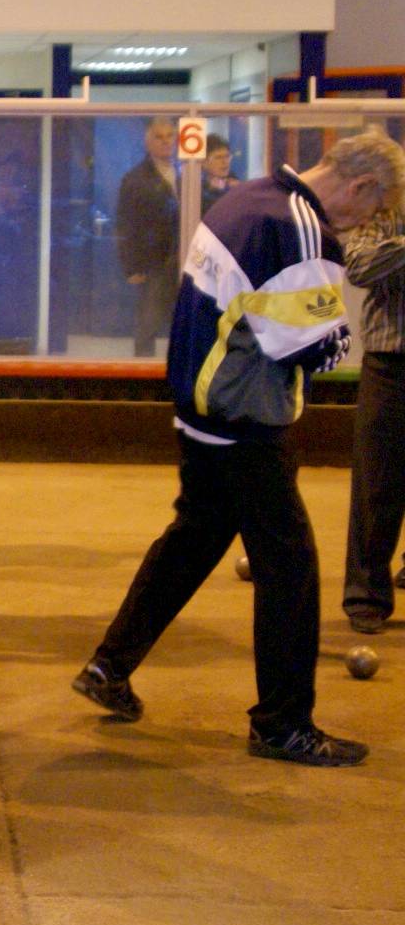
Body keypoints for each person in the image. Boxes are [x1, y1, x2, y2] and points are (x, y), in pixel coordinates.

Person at [74, 131, 405, 767]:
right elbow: (314, 346)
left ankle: (109, 665)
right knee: (290, 570)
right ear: (362, 185)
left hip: (202, 409)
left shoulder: (248, 198)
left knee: (193, 541)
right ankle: (283, 724)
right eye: (376, 208)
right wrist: (337, 328)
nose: (368, 223)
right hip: (246, 420)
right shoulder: (298, 226)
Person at [340, 201, 405, 635]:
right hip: (391, 361)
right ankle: (366, 596)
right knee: (377, 483)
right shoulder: (386, 208)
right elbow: (359, 266)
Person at [118, 117, 180, 357]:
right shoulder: (135, 179)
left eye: (170, 136)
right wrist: (131, 266)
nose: (166, 142)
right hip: (154, 261)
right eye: (159, 137)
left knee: (185, 321)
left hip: (186, 259)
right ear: (148, 142)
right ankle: (142, 369)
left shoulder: (189, 173)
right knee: (148, 322)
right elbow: (126, 225)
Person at [200, 134, 241, 214]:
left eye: (227, 156)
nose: (225, 162)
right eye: (218, 157)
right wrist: (214, 192)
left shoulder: (235, 184)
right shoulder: (195, 187)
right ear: (204, 162)